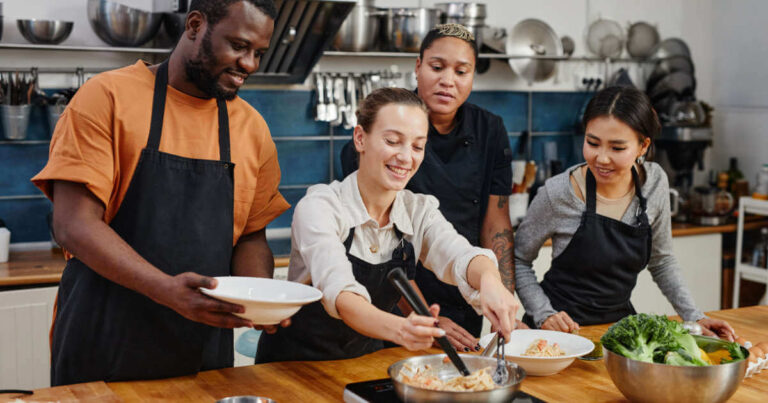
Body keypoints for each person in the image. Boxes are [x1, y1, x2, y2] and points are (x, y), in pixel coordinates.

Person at [31, 0, 291, 385]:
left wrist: (259, 299)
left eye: (258, 53)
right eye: (238, 46)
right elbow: (73, 224)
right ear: (195, 26)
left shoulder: (251, 129)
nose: (250, 64)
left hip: (202, 352)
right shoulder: (106, 98)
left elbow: (250, 236)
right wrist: (166, 291)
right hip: (103, 345)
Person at [256, 88, 519, 363]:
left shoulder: (418, 210)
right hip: (293, 368)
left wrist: (491, 281)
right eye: (393, 141)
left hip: (361, 364)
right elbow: (342, 294)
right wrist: (403, 329)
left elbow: (459, 255)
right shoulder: (320, 207)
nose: (406, 157)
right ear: (360, 138)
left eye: (418, 146)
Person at [340, 24, 519, 351]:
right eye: (437, 67)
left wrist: (501, 296)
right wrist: (426, 320)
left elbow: (493, 226)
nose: (448, 80)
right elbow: (381, 252)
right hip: (392, 307)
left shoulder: (490, 129)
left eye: (461, 70)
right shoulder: (378, 138)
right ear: (417, 66)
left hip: (467, 297)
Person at [514, 86, 736, 341]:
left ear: (643, 146)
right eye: (592, 143)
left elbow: (662, 261)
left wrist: (695, 317)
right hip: (555, 336)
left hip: (618, 334)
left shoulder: (654, 183)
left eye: (617, 148)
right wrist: (544, 314)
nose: (601, 158)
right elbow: (518, 260)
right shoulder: (558, 193)